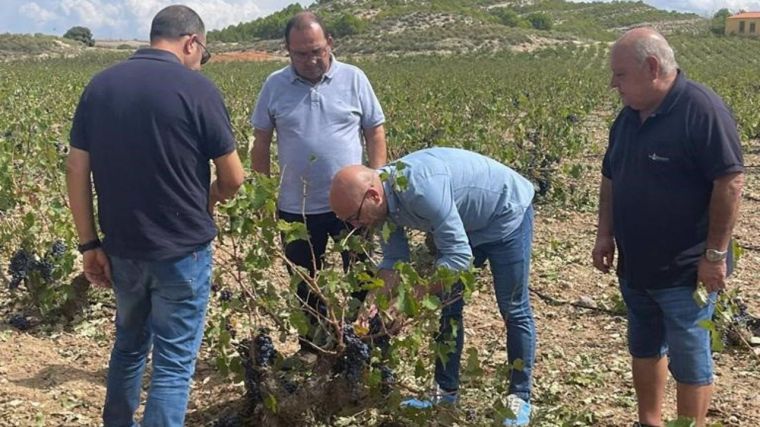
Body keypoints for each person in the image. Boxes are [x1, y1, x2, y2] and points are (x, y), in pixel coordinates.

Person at [66, 5, 244, 426]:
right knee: (173, 365)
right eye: (203, 53)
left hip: (123, 249)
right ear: (191, 42)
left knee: (127, 348)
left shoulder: (100, 86)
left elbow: (76, 169)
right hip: (183, 253)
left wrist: (89, 243)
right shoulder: (198, 90)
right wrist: (212, 196)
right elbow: (234, 178)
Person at [592, 27, 744, 427]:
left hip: (686, 269)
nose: (613, 84)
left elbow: (730, 182)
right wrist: (604, 233)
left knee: (690, 356)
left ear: (653, 68)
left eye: (620, 74)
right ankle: (650, 422)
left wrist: (714, 256)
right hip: (637, 266)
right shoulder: (626, 120)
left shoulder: (702, 110)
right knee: (643, 346)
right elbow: (610, 176)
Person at [329, 147, 536, 426]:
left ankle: (520, 397)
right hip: (466, 225)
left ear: (373, 195)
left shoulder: (421, 189)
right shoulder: (380, 206)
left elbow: (460, 258)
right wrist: (374, 303)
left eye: (354, 218)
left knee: (513, 307)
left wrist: (410, 300)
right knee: (450, 308)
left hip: (505, 214)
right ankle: (445, 392)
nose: (354, 226)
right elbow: (394, 260)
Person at [250, 11, 386, 355]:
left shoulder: (354, 78)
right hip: (295, 208)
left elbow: (375, 131)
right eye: (300, 53)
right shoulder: (274, 85)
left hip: (353, 207)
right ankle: (313, 351)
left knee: (361, 280)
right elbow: (261, 142)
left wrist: (377, 180)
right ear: (287, 50)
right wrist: (264, 196)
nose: (310, 60)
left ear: (330, 44)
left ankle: (362, 347)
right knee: (305, 283)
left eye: (317, 51)